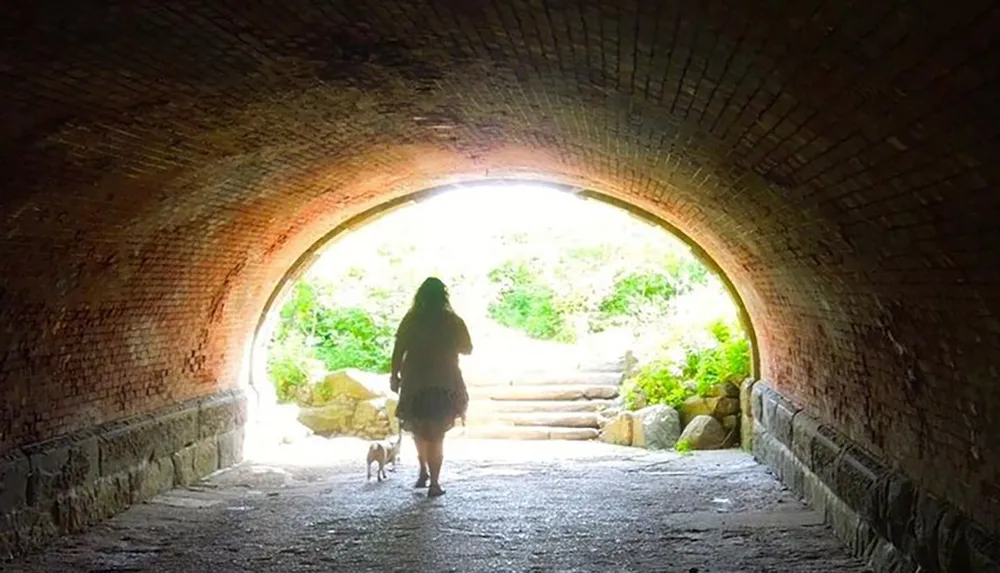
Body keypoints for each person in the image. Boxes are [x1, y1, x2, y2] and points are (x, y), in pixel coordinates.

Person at [390, 277, 472, 498]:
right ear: (443, 295)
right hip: (444, 383)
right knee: (437, 434)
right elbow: (467, 348)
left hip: (415, 382)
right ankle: (435, 483)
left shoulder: (411, 320)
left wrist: (394, 374)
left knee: (418, 428)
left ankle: (423, 470)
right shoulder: (452, 321)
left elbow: (398, 348)